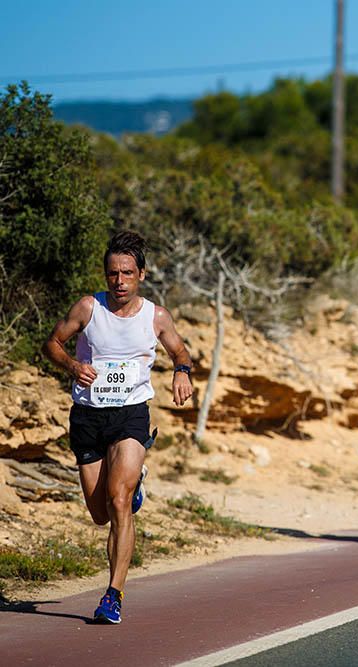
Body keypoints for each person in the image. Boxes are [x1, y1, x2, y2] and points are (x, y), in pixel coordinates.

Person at [42, 231, 193, 624]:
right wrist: (73, 366)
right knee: (99, 512)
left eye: (127, 272)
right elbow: (53, 343)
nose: (120, 281)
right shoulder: (89, 308)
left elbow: (180, 350)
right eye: (113, 273)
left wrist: (182, 372)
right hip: (89, 416)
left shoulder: (155, 316)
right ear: (105, 275)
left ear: (141, 274)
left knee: (119, 500)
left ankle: (113, 594)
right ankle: (134, 480)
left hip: (131, 414)